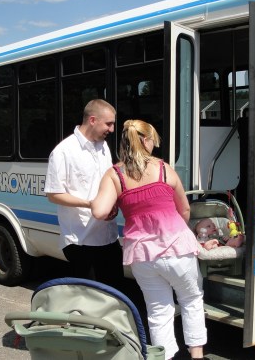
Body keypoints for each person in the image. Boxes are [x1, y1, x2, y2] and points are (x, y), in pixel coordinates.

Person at [90, 120, 207, 360]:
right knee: (191, 300)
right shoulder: (164, 169)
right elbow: (184, 210)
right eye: (153, 139)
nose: (154, 144)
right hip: (177, 249)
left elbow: (100, 211)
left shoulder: (115, 174)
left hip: (142, 255)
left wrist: (115, 204)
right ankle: (196, 355)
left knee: (158, 310)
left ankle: (165, 357)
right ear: (145, 141)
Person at [44, 99, 124, 288]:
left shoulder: (102, 146)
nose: (112, 130)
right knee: (90, 299)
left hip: (108, 236)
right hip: (81, 241)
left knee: (115, 293)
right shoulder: (63, 151)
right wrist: (90, 204)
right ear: (93, 120)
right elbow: (53, 194)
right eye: (109, 124)